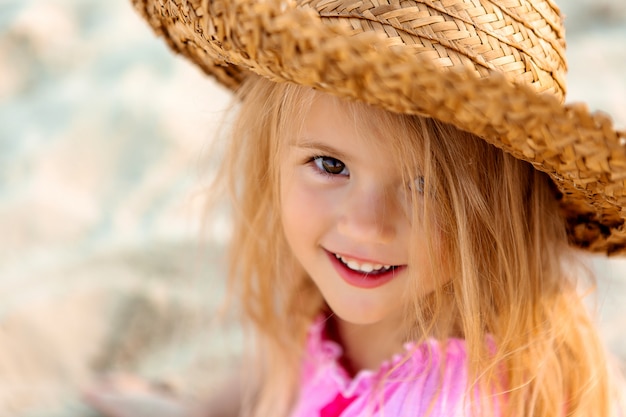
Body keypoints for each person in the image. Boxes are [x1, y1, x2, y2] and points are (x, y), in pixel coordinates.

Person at [85, 0, 626, 416]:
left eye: (426, 185)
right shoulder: (342, 299)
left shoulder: (456, 400)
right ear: (271, 153)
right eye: (330, 166)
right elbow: (287, 365)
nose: (366, 224)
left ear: (502, 209)